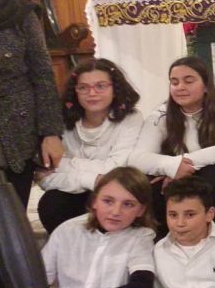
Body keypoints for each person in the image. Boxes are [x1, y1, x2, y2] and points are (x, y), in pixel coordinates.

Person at [17, 167, 156, 288]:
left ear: (141, 210)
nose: (116, 212)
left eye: (128, 204)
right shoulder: (67, 230)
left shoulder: (141, 237)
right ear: (94, 201)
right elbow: (37, 282)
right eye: (108, 201)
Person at [129, 57, 215, 232]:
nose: (180, 87)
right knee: (150, 186)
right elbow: (137, 158)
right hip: (180, 181)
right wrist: (172, 167)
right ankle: (167, 241)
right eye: (174, 82)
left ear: (206, 85)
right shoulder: (161, 114)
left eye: (188, 81)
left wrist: (181, 164)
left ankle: (208, 238)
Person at [36, 59, 144, 233]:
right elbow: (44, 177)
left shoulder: (131, 118)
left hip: (116, 192)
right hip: (74, 191)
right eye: (83, 87)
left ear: (115, 88)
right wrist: (93, 179)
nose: (92, 93)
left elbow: (116, 169)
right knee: (52, 202)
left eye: (101, 86)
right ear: (75, 91)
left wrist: (64, 164)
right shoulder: (59, 121)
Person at [0, 0, 62, 207]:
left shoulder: (19, 11)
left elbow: (43, 75)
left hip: (17, 131)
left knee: (12, 214)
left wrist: (51, 133)